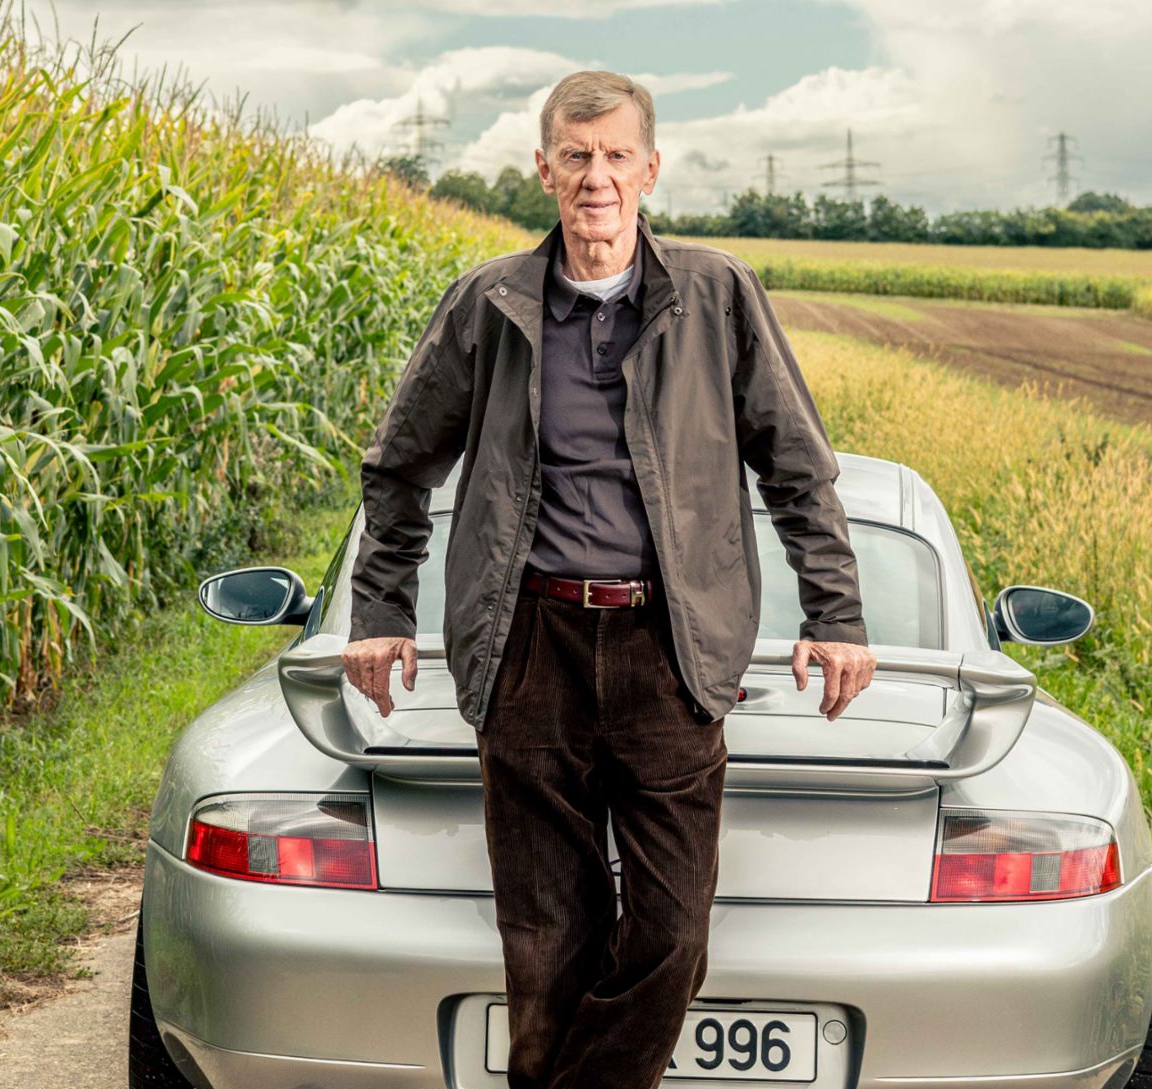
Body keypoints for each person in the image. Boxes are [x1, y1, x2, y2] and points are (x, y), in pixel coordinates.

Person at [343, 68, 876, 1089]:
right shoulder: (487, 303)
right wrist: (377, 609)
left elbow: (796, 465)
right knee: (544, 945)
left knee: (671, 934)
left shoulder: (716, 296)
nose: (598, 178)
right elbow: (398, 465)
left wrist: (838, 615)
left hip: (670, 653)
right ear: (544, 170)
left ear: (651, 169)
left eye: (617, 156)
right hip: (529, 653)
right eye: (576, 157)